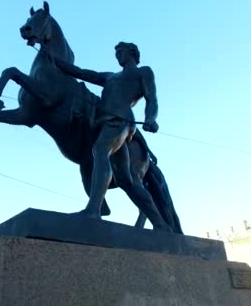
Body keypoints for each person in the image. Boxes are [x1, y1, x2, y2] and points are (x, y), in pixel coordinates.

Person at [54, 42, 171, 231]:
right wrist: (56, 61)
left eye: (120, 51)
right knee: (127, 180)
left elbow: (152, 99)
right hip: (105, 122)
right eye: (116, 53)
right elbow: (82, 73)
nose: (117, 55)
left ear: (132, 52)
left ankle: (93, 210)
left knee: (99, 150)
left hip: (121, 120)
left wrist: (151, 118)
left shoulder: (143, 72)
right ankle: (161, 225)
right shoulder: (110, 77)